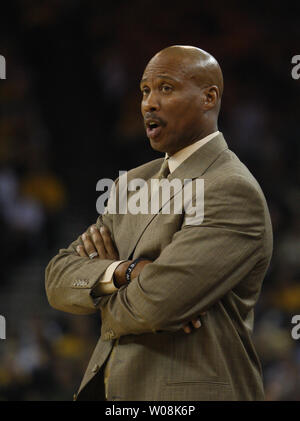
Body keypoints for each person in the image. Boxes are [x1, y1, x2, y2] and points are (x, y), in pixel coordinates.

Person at [45, 45, 273, 401]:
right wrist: (127, 272)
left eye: (166, 88)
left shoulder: (230, 188)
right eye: (145, 90)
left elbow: (157, 305)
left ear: (208, 97)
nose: (149, 103)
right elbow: (57, 278)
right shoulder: (130, 183)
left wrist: (102, 286)